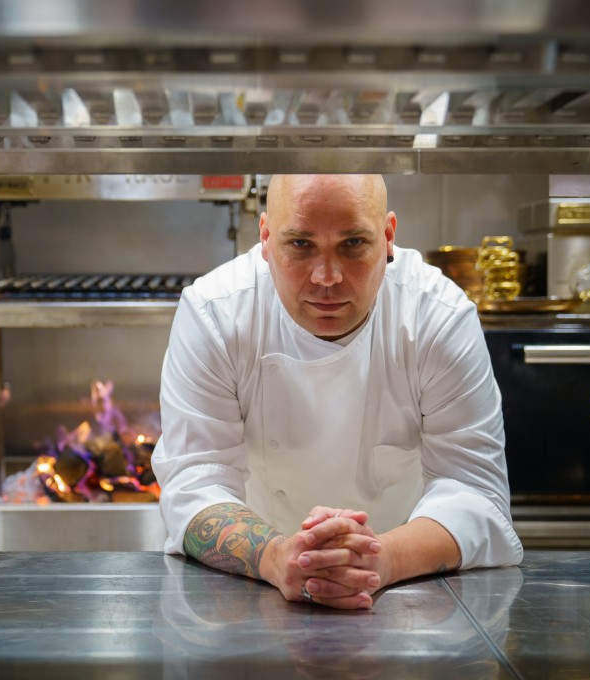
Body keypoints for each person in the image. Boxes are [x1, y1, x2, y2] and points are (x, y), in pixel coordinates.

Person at [151, 174, 522, 610]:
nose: (327, 277)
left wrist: (377, 562)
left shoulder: (437, 317)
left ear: (387, 238)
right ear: (266, 238)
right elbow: (194, 485)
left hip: (406, 601)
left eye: (353, 245)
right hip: (246, 597)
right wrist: (274, 556)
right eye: (300, 245)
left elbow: (477, 495)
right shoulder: (216, 313)